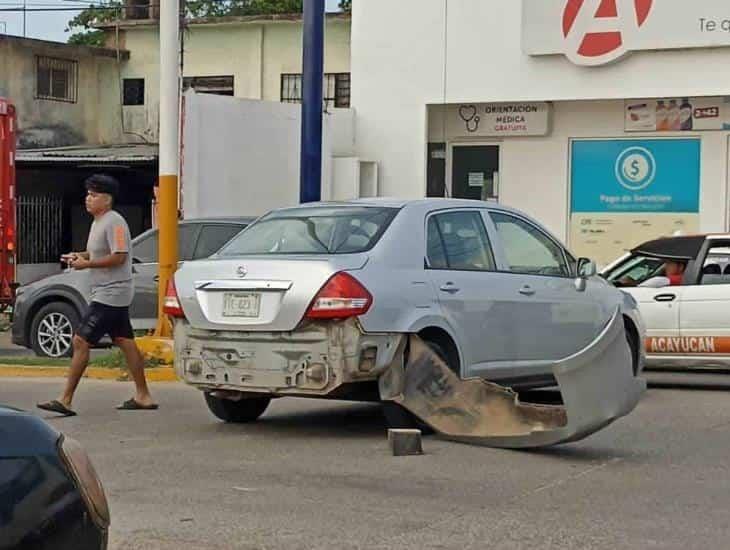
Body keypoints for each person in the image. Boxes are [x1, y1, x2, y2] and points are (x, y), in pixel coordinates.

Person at [37, 174, 158, 417]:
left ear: (107, 199)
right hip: (107, 291)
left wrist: (87, 265)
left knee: (81, 341)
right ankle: (143, 395)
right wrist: (79, 255)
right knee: (125, 341)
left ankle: (66, 399)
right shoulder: (98, 222)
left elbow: (120, 256)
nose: (88, 199)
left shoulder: (116, 222)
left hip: (113, 292)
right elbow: (98, 252)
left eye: (94, 195)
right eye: (88, 194)